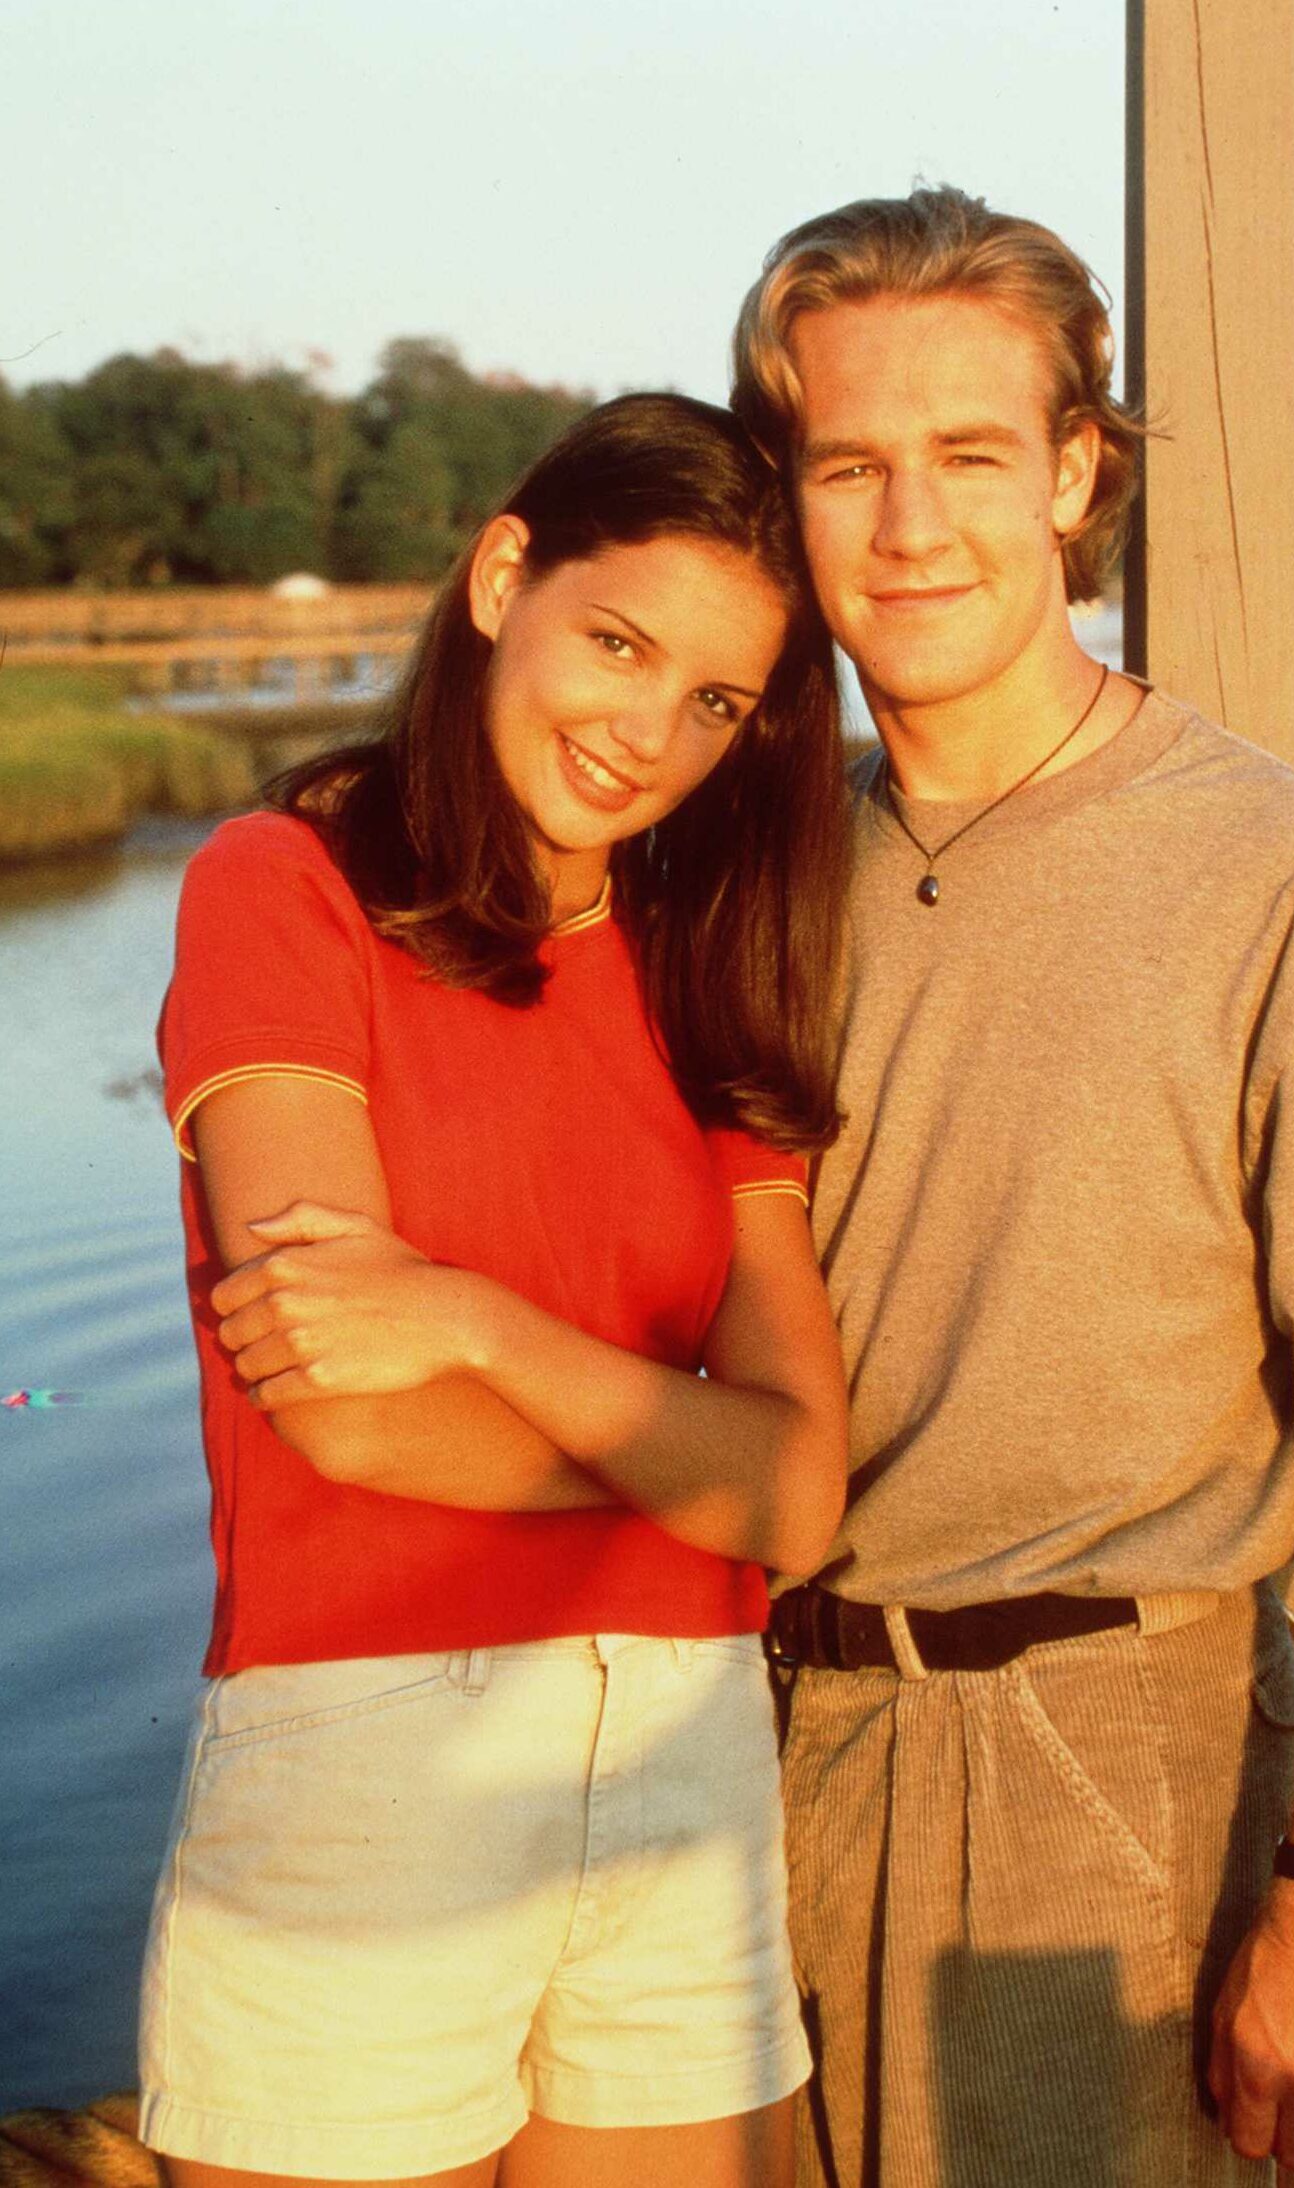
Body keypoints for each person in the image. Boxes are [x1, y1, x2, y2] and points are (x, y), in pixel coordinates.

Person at [729, 186, 1294, 2187]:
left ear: (1078, 472)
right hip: (748, 1751)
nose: (912, 529)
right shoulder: (756, 871)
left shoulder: (1289, 877)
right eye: (850, 466)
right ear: (786, 498)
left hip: (1098, 1773)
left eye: (973, 458)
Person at [138, 393, 852, 2188]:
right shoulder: (283, 890)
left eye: (709, 701)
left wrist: (479, 1325)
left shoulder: (707, 976)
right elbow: (352, 1412)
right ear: (502, 573)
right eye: (616, 643)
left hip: (689, 1774)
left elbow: (807, 1498)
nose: (643, 735)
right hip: (373, 1761)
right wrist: (700, 1462)